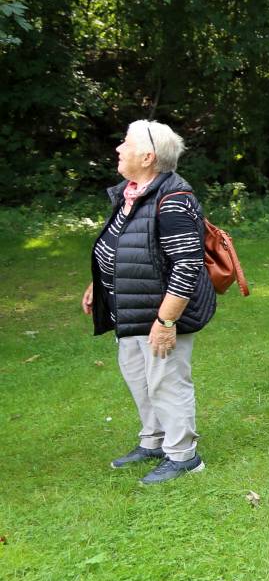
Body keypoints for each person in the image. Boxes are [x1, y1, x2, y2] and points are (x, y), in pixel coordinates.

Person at [84, 120, 217, 486]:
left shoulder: (173, 199)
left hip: (161, 311)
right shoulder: (133, 192)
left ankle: (183, 455)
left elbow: (187, 264)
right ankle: (154, 441)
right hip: (131, 306)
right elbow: (123, 243)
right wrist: (100, 282)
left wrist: (167, 321)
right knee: (140, 377)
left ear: (147, 156)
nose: (118, 149)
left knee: (167, 380)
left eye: (125, 143)